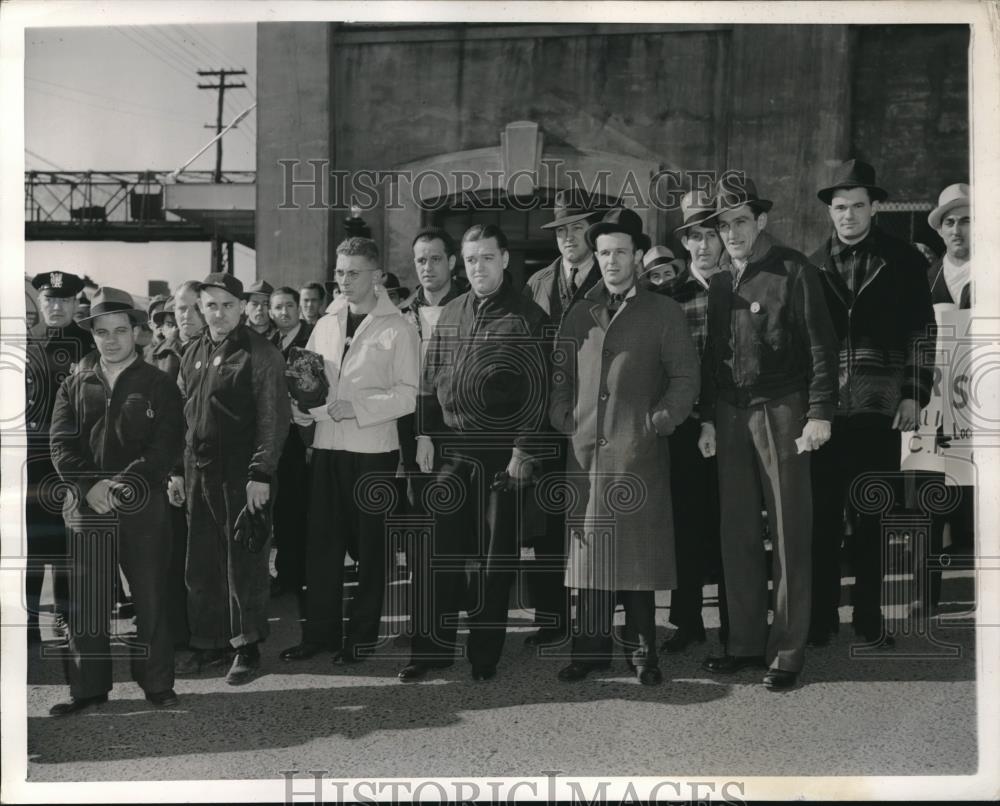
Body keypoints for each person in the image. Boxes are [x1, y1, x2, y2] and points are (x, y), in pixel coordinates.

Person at [699, 174, 838, 691]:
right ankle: (743, 643)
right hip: (731, 411)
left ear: (760, 220)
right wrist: (709, 418)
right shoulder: (717, 283)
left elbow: (822, 348)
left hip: (783, 409)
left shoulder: (794, 269)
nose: (731, 233)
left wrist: (819, 412)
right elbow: (716, 356)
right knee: (735, 532)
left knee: (788, 531)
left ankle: (787, 651)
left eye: (740, 221)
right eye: (723, 225)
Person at [550, 208, 699, 685]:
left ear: (637, 256)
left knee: (637, 559)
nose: (611, 261)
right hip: (587, 453)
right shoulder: (579, 313)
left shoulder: (664, 312)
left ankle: (642, 655)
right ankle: (590, 651)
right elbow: (559, 375)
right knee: (591, 557)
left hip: (638, 451)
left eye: (620, 252)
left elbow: (685, 378)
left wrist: (658, 422)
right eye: (603, 253)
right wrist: (563, 417)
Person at [399, 224, 550, 682]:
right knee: (436, 554)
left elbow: (539, 394)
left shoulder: (529, 318)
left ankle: (484, 654)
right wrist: (424, 434)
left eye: (486, 257)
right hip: (451, 451)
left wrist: (524, 450)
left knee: (492, 560)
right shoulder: (452, 313)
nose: (477, 267)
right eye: (470, 260)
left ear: (505, 259)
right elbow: (430, 377)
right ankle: (431, 652)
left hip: (500, 455)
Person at [807, 160, 935, 646]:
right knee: (822, 520)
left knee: (872, 517)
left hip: (880, 409)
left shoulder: (903, 260)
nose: (849, 216)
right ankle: (821, 619)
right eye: (840, 207)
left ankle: (868, 617)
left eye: (858, 206)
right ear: (829, 212)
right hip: (824, 412)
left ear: (874, 207)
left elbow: (924, 331)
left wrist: (913, 393)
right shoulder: (813, 264)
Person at [280, 238, 419, 663]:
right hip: (325, 447)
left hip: (372, 452)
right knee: (320, 547)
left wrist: (356, 407)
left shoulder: (399, 328)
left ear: (377, 276)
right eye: (340, 272)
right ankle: (319, 635)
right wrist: (302, 412)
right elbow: (312, 382)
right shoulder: (325, 323)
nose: (344, 280)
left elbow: (408, 397)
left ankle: (360, 638)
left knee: (370, 553)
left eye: (354, 272)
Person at [48, 287, 184, 715]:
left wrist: (122, 485)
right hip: (87, 508)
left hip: (142, 505)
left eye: (120, 331)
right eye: (102, 332)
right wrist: (91, 486)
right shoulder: (75, 384)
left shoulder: (159, 383)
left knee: (151, 598)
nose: (111, 340)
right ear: (92, 336)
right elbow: (60, 445)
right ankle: (88, 689)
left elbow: (166, 446)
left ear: (137, 333)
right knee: (88, 603)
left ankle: (158, 683)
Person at [173, 273, 290, 684]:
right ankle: (211, 643)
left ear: (242, 307)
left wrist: (261, 473)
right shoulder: (192, 351)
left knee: (245, 561)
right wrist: (177, 470)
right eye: (210, 306)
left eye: (226, 305)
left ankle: (247, 646)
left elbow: (274, 420)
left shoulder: (261, 353)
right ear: (199, 309)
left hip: (243, 473)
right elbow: (184, 415)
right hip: (197, 469)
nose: (218, 313)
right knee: (202, 561)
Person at [519, 190, 605, 647]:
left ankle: (598, 620)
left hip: (596, 416)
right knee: (548, 522)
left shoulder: (610, 277)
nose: (568, 237)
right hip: (548, 420)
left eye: (576, 227)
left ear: (592, 230)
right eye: (561, 230)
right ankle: (552, 617)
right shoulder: (537, 282)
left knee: (597, 517)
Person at [654, 189, 729, 653]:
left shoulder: (737, 286)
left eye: (710, 234)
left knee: (733, 522)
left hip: (735, 420)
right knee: (686, 523)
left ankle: (739, 617)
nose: (703, 245)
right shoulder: (671, 298)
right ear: (684, 243)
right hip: (687, 424)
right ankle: (688, 620)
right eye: (694, 237)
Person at [25, 271, 94, 646]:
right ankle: (32, 619)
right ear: (40, 303)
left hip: (73, 459)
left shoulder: (88, 346)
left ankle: (68, 617)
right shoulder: (24, 345)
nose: (55, 307)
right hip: (33, 460)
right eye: (49, 300)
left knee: (71, 540)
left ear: (74, 304)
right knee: (33, 543)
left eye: (64, 301)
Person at [267, 286, 314, 598]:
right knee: (281, 510)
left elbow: (311, 387)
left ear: (299, 309)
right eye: (278, 307)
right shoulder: (268, 343)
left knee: (299, 509)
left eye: (289, 306)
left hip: (303, 436)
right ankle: (286, 573)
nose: (283, 312)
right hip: (274, 438)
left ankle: (295, 576)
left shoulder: (310, 340)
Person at [927, 183, 971, 308]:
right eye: (950, 223)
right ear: (940, 231)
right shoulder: (928, 281)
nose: (956, 231)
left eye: (965, 222)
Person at [149, 298, 182, 381]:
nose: (175, 330)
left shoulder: (200, 351)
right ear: (162, 328)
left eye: (179, 324)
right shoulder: (153, 356)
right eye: (170, 325)